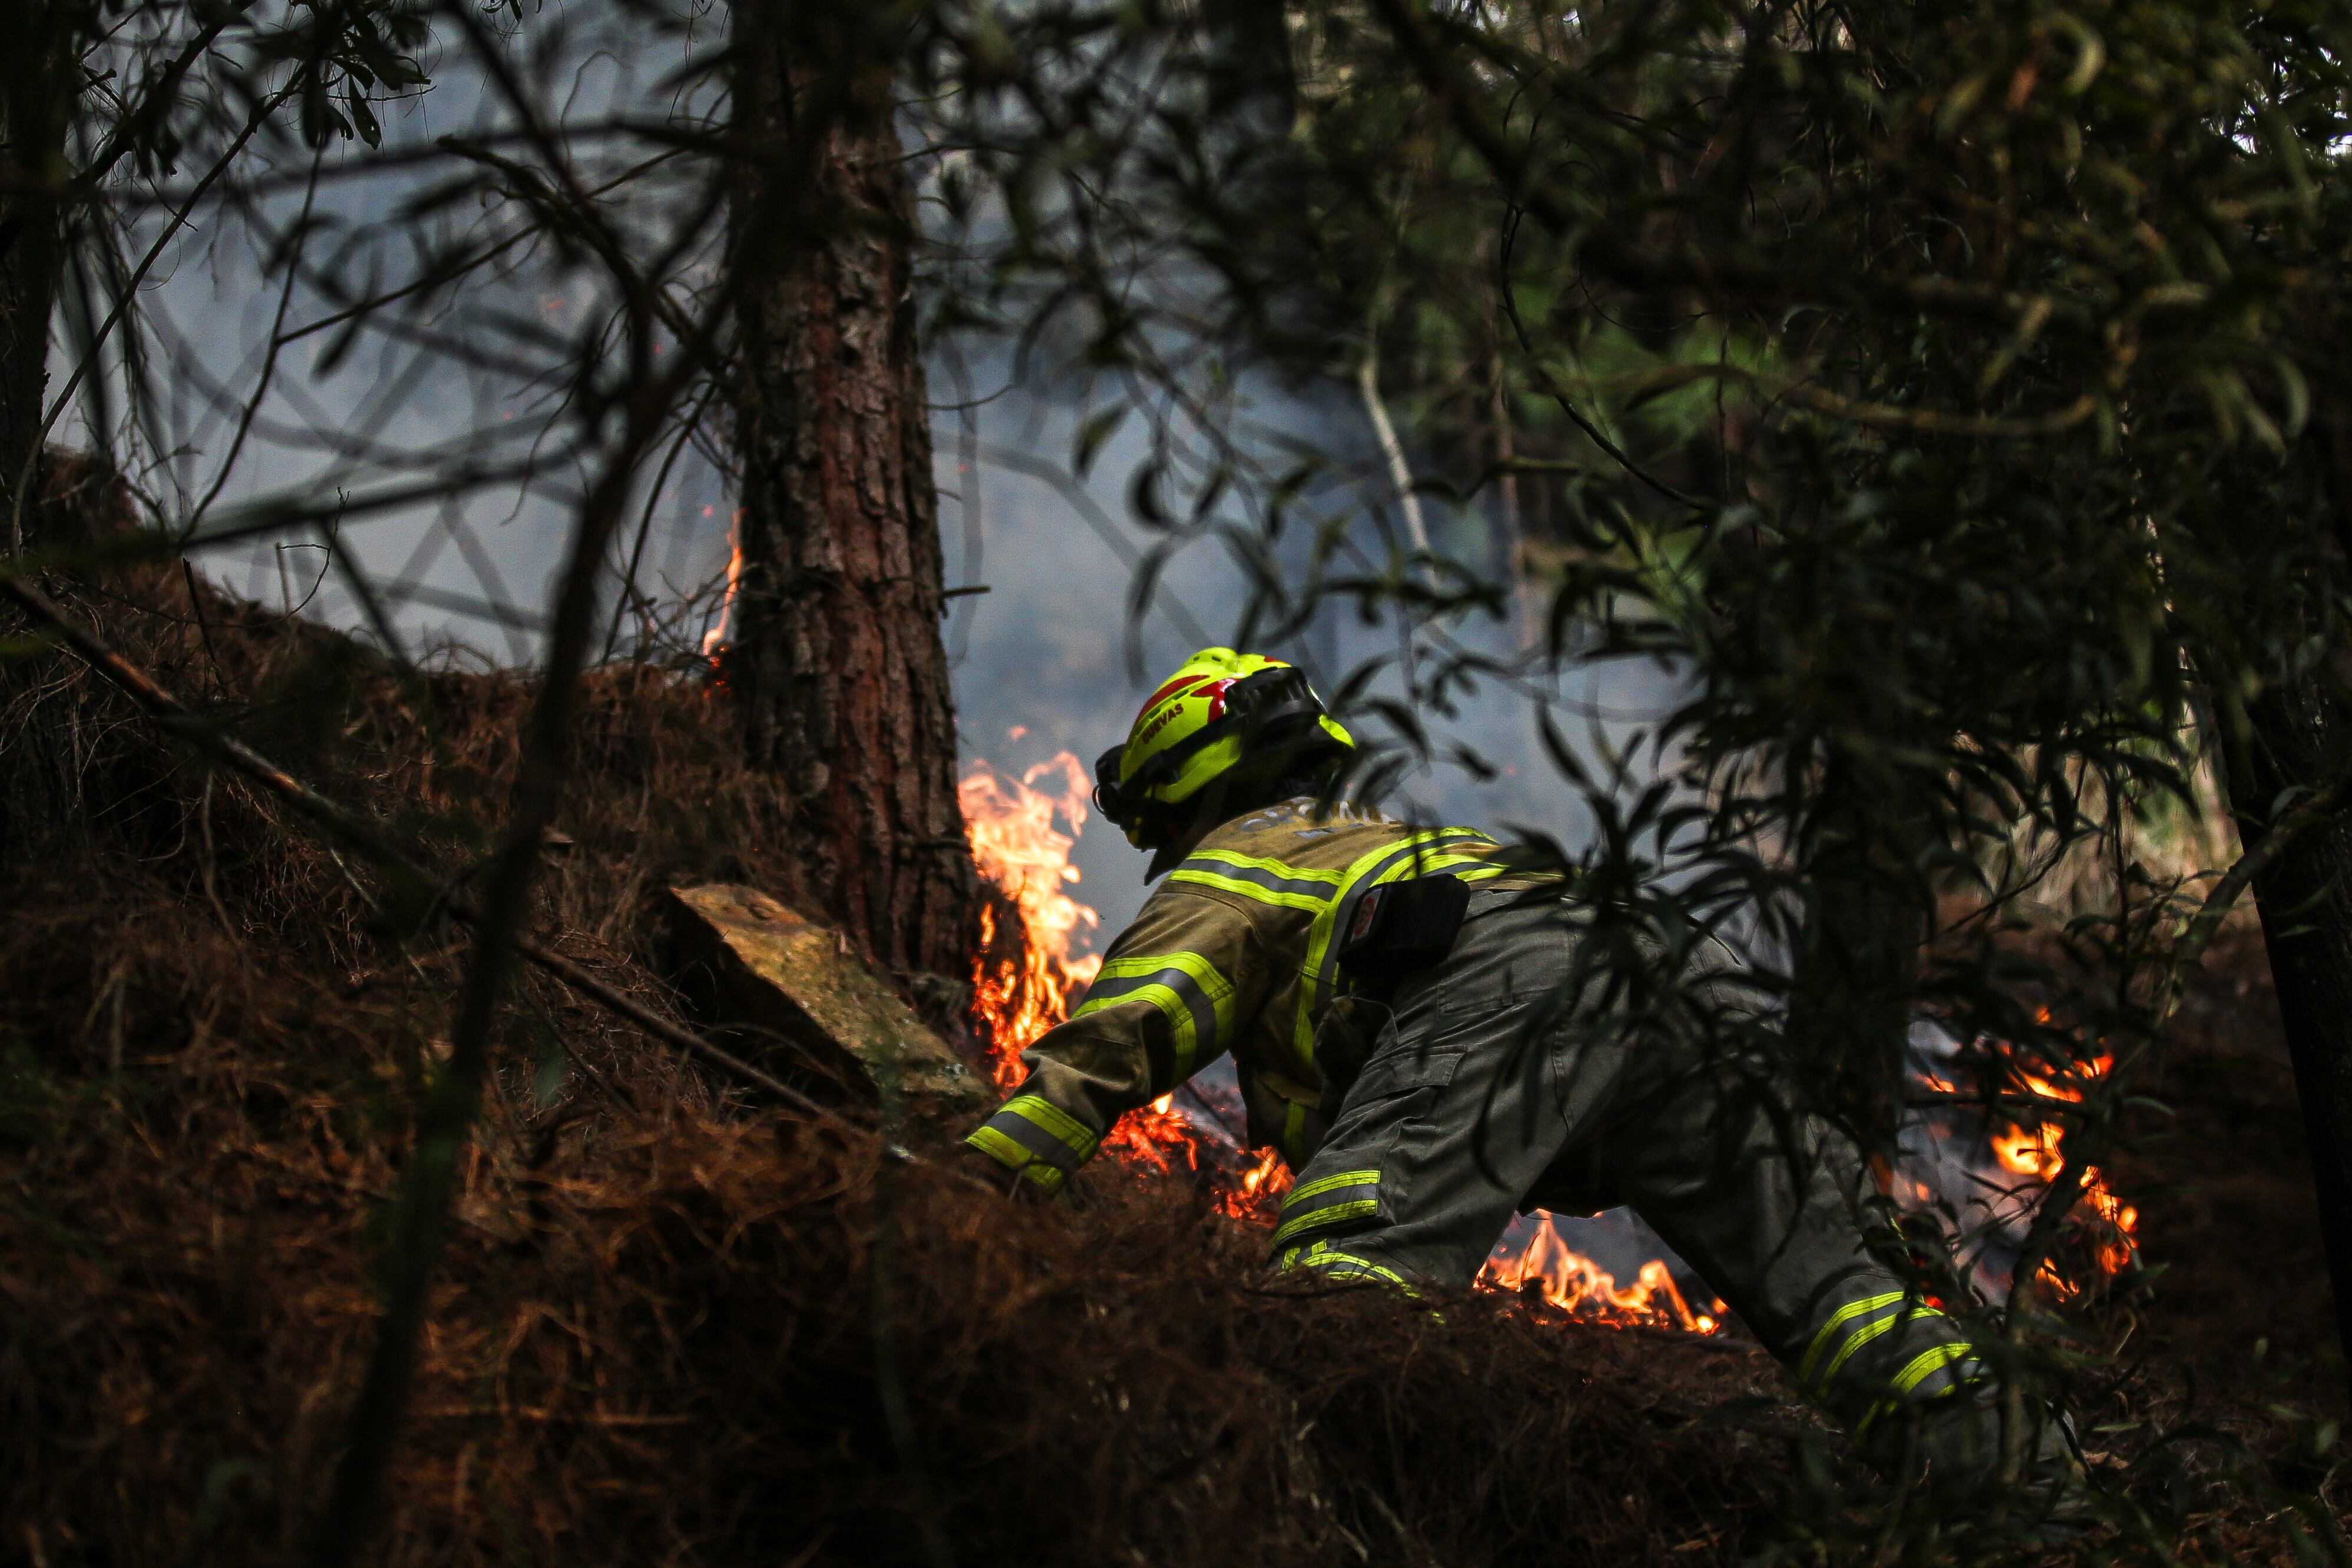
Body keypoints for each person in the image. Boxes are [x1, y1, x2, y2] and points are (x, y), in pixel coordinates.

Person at [962, 647, 2081, 1515]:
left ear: (1184, 788)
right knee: (1840, 1290)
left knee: (1343, 1287)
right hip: (1680, 966)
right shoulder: (1386, 843)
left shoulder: (1237, 863)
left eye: (1157, 825)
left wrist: (967, 1191)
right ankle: (2046, 1499)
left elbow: (1119, 1039)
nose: (1161, 851)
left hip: (1523, 980)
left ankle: (1332, 1525)